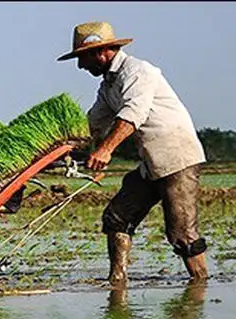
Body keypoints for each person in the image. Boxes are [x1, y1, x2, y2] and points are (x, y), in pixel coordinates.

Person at [58, 21, 208, 286]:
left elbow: (133, 113)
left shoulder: (139, 72)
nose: (81, 66)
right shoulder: (108, 86)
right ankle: (117, 281)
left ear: (100, 52)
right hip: (151, 163)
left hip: (177, 159)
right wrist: (57, 148)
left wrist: (105, 150)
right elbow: (93, 123)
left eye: (82, 58)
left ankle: (200, 287)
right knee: (117, 216)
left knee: (182, 234)